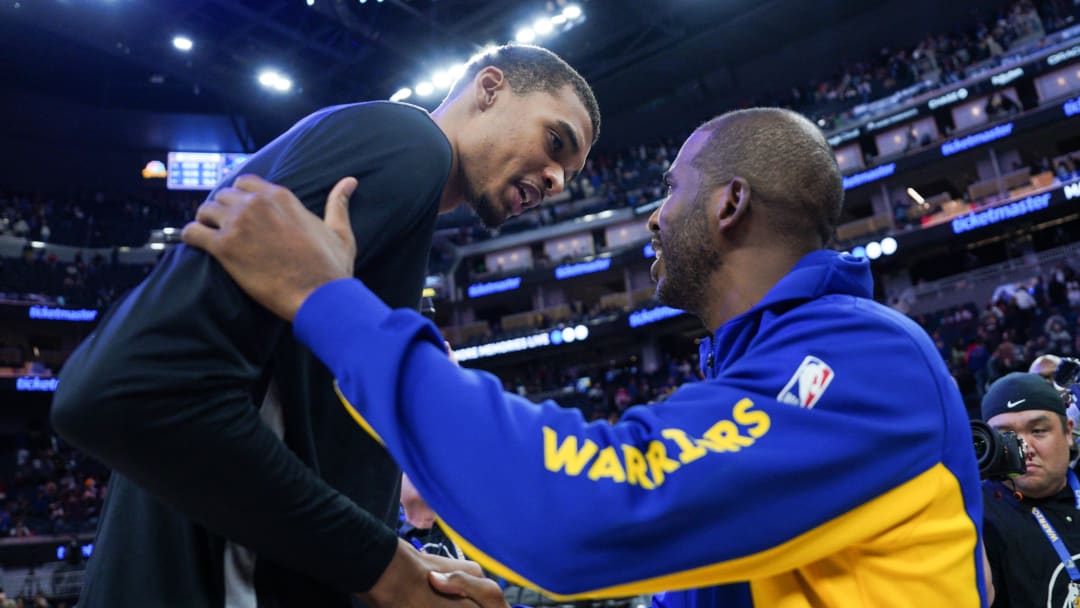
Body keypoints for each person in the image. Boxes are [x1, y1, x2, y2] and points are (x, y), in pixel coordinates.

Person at [182, 108, 987, 605]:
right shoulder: (755, 373)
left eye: (669, 190)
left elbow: (593, 509)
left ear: (730, 203)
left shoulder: (866, 356)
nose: (650, 214)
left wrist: (331, 304)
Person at [49, 44, 598, 607]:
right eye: (555, 142)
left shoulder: (399, 195)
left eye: (570, 174)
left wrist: (385, 554)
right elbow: (131, 390)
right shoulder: (411, 146)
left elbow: (285, 424)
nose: (557, 179)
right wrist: (382, 568)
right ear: (489, 89)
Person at [980, 372, 1080, 607]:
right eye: (1006, 436)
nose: (1024, 448)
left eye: (1038, 431)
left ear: (1068, 432)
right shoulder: (978, 517)